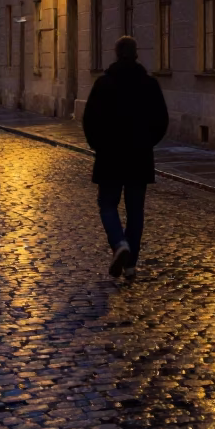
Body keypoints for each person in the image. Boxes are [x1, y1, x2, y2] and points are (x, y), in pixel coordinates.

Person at [81, 36, 168, 280]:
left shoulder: (104, 84)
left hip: (110, 156)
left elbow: (89, 121)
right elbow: (162, 120)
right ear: (136, 54)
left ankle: (119, 243)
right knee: (135, 211)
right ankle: (131, 264)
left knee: (107, 205)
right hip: (139, 157)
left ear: (117, 54)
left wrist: (98, 146)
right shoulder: (149, 84)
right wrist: (147, 142)